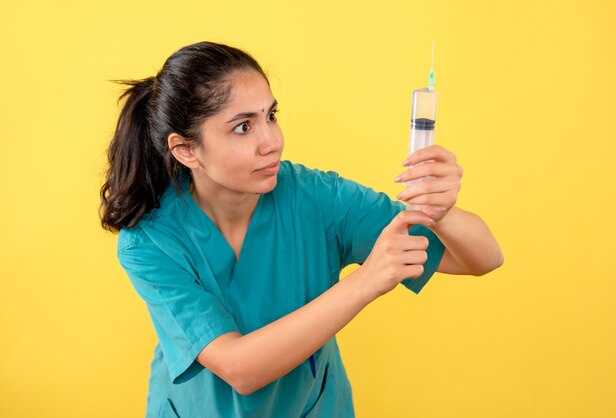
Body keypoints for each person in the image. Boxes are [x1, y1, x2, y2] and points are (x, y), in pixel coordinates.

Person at [99, 41, 503, 418]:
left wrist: (441, 211)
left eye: (270, 116)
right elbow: (240, 369)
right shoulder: (151, 240)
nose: (272, 141)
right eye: (243, 127)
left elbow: (484, 258)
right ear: (186, 150)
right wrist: (367, 280)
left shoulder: (317, 199)